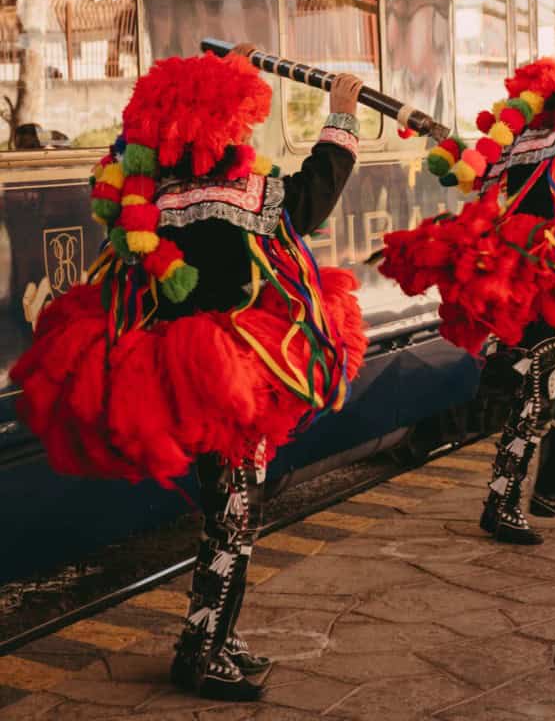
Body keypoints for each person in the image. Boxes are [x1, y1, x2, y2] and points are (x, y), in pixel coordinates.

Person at [11, 45, 367, 701]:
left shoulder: (154, 192)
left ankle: (218, 634)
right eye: (238, 118)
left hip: (168, 364)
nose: (246, 130)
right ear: (220, 128)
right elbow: (314, 194)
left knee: (228, 509)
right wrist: (339, 116)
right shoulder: (237, 190)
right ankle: (200, 651)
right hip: (227, 373)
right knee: (235, 512)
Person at [376, 49, 555, 545]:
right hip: (545, 286)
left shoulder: (518, 145)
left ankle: (553, 489)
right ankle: (502, 503)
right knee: (535, 398)